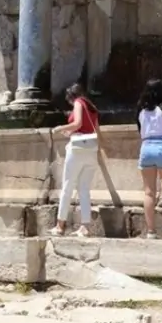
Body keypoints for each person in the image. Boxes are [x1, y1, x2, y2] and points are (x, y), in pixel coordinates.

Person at [49, 84, 101, 238]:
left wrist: (60, 128)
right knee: (84, 189)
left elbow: (77, 123)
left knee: (68, 186)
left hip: (77, 150)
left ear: (72, 96)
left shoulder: (79, 102)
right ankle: (85, 227)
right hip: (91, 150)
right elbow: (96, 131)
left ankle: (60, 226)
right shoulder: (92, 108)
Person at [136, 78, 162, 239]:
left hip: (146, 148)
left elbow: (140, 130)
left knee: (148, 193)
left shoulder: (140, 110)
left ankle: (151, 231)